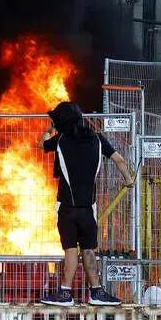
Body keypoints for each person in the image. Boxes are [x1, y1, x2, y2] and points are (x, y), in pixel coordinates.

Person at [37, 102, 134, 307]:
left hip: (66, 207)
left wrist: (49, 130)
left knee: (70, 249)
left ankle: (65, 294)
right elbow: (119, 160)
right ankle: (96, 292)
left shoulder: (60, 139)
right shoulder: (97, 139)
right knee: (88, 249)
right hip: (88, 208)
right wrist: (128, 179)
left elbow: (42, 144)